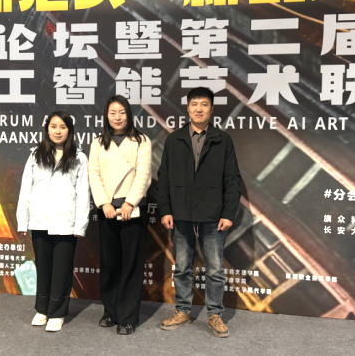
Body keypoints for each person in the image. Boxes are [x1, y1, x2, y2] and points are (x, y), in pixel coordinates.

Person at [157, 87, 242, 338]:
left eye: (204, 104)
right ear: (187, 108)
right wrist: (166, 210)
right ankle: (182, 310)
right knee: (182, 267)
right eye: (194, 104)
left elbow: (232, 180)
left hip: (213, 215)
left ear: (211, 109)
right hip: (181, 213)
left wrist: (228, 213)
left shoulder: (222, 140)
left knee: (214, 269)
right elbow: (164, 178)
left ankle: (214, 314)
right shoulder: (174, 140)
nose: (199, 109)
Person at [16, 111, 90, 332]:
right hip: (40, 221)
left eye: (63, 127)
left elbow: (83, 194)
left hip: (66, 223)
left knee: (62, 270)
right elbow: (26, 189)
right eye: (54, 126)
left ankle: (57, 313)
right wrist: (23, 221)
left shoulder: (79, 158)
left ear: (70, 131)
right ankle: (42, 309)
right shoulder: (35, 155)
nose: (58, 131)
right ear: (47, 129)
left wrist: (80, 225)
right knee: (43, 268)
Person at [88, 95, 152, 335]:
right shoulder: (98, 142)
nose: (117, 117)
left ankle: (127, 317)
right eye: (113, 112)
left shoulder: (141, 141)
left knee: (131, 264)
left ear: (129, 115)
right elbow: (93, 174)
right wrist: (103, 203)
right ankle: (110, 311)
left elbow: (143, 175)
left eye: (122, 112)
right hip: (107, 209)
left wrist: (129, 202)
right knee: (109, 262)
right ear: (106, 116)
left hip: (132, 210)